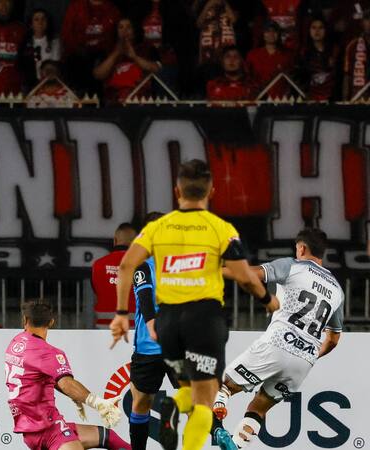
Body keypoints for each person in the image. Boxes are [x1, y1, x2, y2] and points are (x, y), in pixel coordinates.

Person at [110, 159, 275, 450]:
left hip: (158, 335)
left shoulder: (156, 236)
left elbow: (129, 273)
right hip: (199, 330)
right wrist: (267, 298)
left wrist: (124, 314)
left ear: (177, 191)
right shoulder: (218, 229)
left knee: (141, 401)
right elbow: (243, 275)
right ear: (211, 190)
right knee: (202, 396)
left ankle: (159, 428)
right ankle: (209, 429)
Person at [213, 228, 343, 450]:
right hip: (305, 360)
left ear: (301, 248)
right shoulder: (337, 290)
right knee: (259, 407)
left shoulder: (293, 266)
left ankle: (219, 407)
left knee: (224, 386)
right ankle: (236, 445)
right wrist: (311, 353)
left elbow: (252, 274)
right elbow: (333, 339)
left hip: (279, 342)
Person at [6, 298, 132, 450]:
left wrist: (74, 395)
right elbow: (66, 383)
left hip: (32, 428)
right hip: (48, 428)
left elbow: (44, 379)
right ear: (51, 322)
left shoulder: (15, 343)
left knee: (108, 436)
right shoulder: (48, 352)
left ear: (25, 320)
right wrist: (98, 403)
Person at [126, 212, 180, 450]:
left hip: (149, 346)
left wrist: (151, 323)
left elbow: (145, 298)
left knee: (140, 402)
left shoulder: (144, 266)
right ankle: (177, 411)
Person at [93, 17, 161, 102]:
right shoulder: (107, 49)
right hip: (113, 102)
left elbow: (156, 69)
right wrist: (115, 54)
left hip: (140, 101)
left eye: (128, 27)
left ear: (134, 30)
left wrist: (135, 57)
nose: (124, 31)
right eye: (121, 27)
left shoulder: (146, 48)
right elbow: (98, 75)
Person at [61, 0, 122, 93]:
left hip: (104, 60)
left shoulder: (113, 10)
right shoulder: (75, 7)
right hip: (78, 59)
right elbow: (67, 36)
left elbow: (118, 38)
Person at [91, 222, 137, 329]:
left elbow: (96, 292)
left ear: (115, 240)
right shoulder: (142, 265)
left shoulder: (98, 265)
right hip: (134, 330)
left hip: (103, 330)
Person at [246, 20, 294, 99]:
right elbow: (247, 78)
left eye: (274, 31)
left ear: (279, 34)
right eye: (267, 31)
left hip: (282, 101)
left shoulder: (288, 55)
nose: (271, 34)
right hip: (259, 99)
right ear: (263, 34)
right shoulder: (253, 55)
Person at [195, 0, 238, 88]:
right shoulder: (201, 3)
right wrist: (208, 5)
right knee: (208, 77)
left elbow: (234, 20)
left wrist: (225, 4)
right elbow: (199, 24)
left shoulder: (227, 4)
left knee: (225, 77)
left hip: (226, 47)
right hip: (208, 49)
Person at [297, 16, 339, 101]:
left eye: (321, 28)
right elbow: (300, 78)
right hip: (308, 99)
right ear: (309, 30)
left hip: (332, 99)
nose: (317, 31)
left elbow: (339, 77)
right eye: (314, 28)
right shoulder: (302, 52)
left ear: (326, 30)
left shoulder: (335, 50)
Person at [23, 9, 61, 88]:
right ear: (31, 24)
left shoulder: (55, 42)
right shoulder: (25, 43)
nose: (40, 22)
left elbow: (56, 65)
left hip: (50, 84)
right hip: (30, 85)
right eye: (36, 19)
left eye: (43, 19)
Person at [343, 10, 370, 100]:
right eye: (367, 19)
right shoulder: (353, 45)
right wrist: (345, 102)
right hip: (358, 100)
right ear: (362, 22)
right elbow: (347, 76)